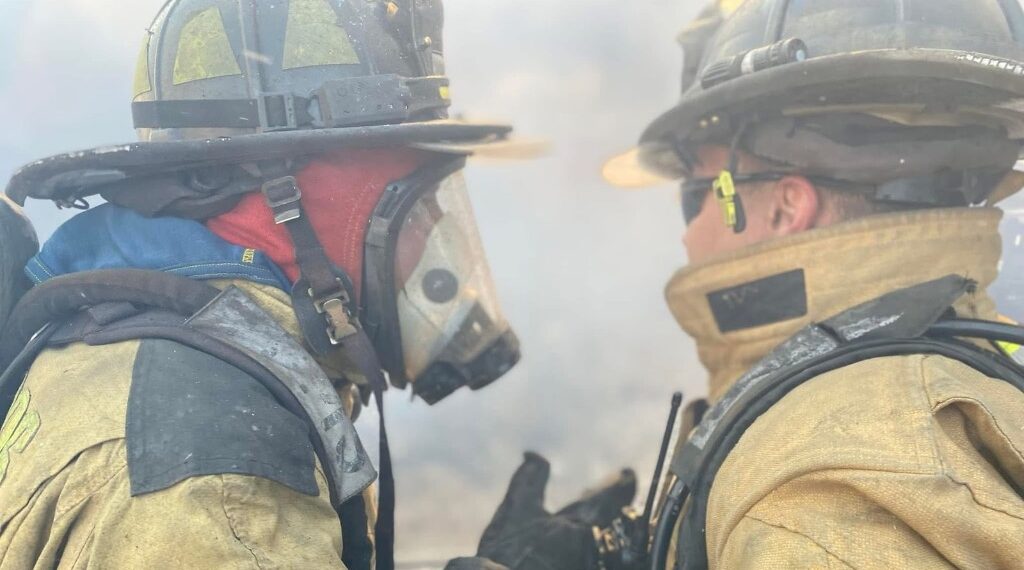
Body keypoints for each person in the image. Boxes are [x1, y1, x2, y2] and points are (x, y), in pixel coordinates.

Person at [454, 0, 1024, 568]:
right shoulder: (963, 354)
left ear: (784, 208)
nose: (686, 236)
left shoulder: (816, 496)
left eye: (697, 194)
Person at [0, 0, 532, 568]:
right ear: (283, 200)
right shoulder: (220, 481)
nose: (431, 230)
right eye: (414, 202)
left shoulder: (155, 344)